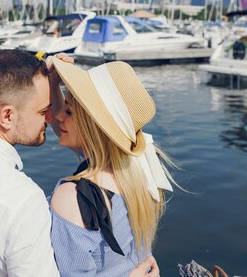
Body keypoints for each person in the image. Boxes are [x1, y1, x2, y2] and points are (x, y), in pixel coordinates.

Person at [0, 50, 159, 277]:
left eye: (64, 110)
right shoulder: (23, 201)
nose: (52, 117)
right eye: (42, 110)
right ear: (7, 116)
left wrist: (50, 85)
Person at [48, 59, 173, 277]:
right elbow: (73, 132)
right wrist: (53, 84)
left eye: (68, 112)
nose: (57, 117)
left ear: (92, 129)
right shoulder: (141, 171)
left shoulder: (74, 198)